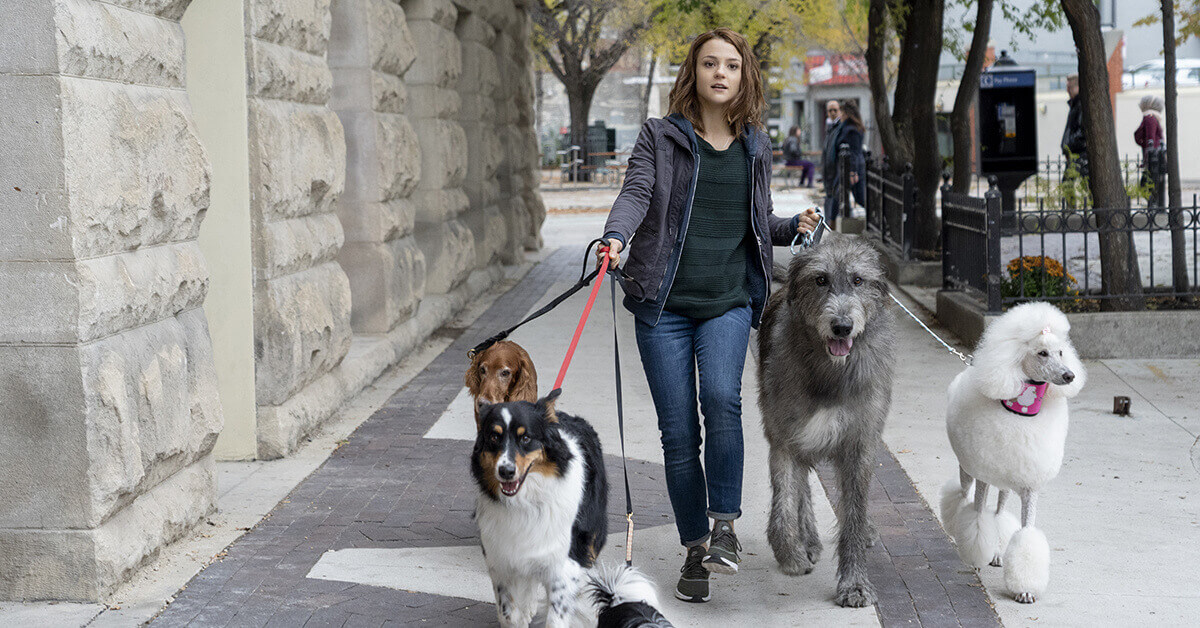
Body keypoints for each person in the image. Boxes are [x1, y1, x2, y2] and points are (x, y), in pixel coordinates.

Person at [598, 28, 820, 604]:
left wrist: (789, 226)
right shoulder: (660, 136)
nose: (720, 73)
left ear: (744, 76)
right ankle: (695, 548)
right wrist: (616, 237)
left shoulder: (757, 145)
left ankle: (725, 525)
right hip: (662, 305)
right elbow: (637, 193)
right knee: (678, 435)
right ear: (692, 74)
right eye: (709, 64)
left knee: (722, 398)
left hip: (726, 300)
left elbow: (756, 221)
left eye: (731, 65)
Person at [821, 99, 866, 227]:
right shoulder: (843, 127)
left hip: (850, 169)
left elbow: (855, 153)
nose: (837, 114)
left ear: (846, 113)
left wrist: (853, 171)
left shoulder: (850, 129)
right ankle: (832, 223)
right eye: (831, 110)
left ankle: (833, 223)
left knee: (860, 198)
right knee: (838, 195)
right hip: (843, 169)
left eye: (839, 111)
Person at [1134, 95, 1165, 205]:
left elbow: (1149, 138)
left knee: (1148, 180)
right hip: (1154, 156)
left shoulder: (1149, 118)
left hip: (1153, 157)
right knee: (1151, 180)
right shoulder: (1153, 118)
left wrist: (1147, 152)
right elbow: (1151, 138)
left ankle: (1151, 203)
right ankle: (1152, 203)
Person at [1061, 74, 1087, 172]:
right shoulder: (1075, 105)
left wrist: (1069, 144)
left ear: (1078, 87)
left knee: (1069, 184)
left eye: (1070, 87)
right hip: (1074, 152)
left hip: (1078, 153)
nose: (1068, 90)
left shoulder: (1080, 105)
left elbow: (1082, 131)